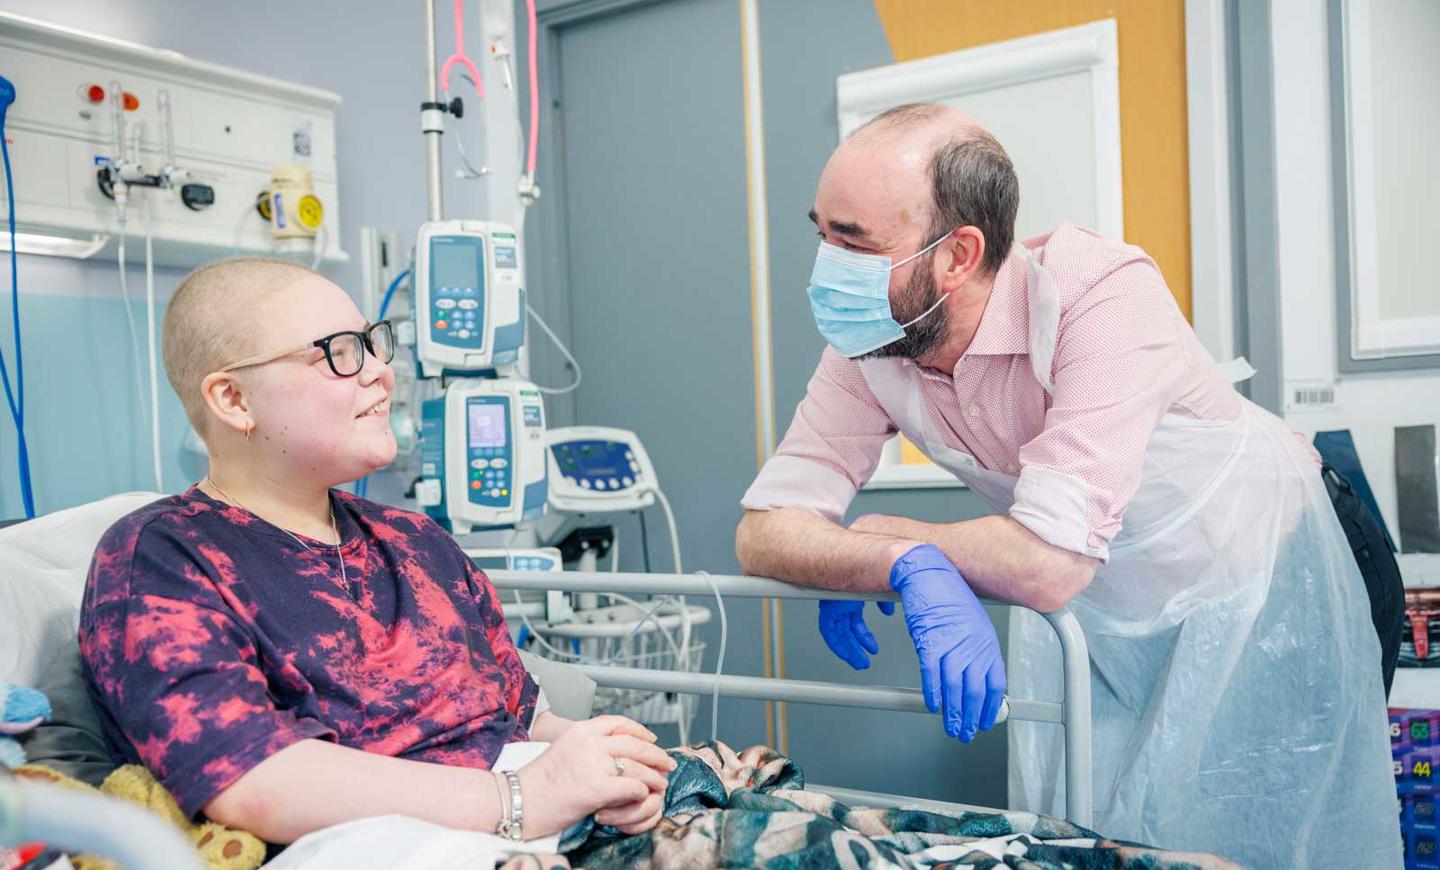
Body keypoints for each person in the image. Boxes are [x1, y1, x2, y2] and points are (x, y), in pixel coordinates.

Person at [734, 103, 1400, 868]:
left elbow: (1047, 562)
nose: (825, 268)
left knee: (1266, 833)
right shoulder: (873, 342)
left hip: (1275, 571)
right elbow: (764, 527)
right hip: (1112, 601)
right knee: (1115, 837)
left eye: (853, 244)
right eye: (820, 234)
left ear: (958, 255)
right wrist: (892, 564)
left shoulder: (1098, 294)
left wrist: (893, 538)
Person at [78, 258, 675, 846]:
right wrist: (519, 799)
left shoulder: (418, 543)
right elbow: (246, 776)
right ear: (234, 399)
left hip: (548, 821)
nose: (381, 374)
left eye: (374, 343)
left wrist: (617, 763)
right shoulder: (163, 556)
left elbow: (522, 717)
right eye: (340, 351)